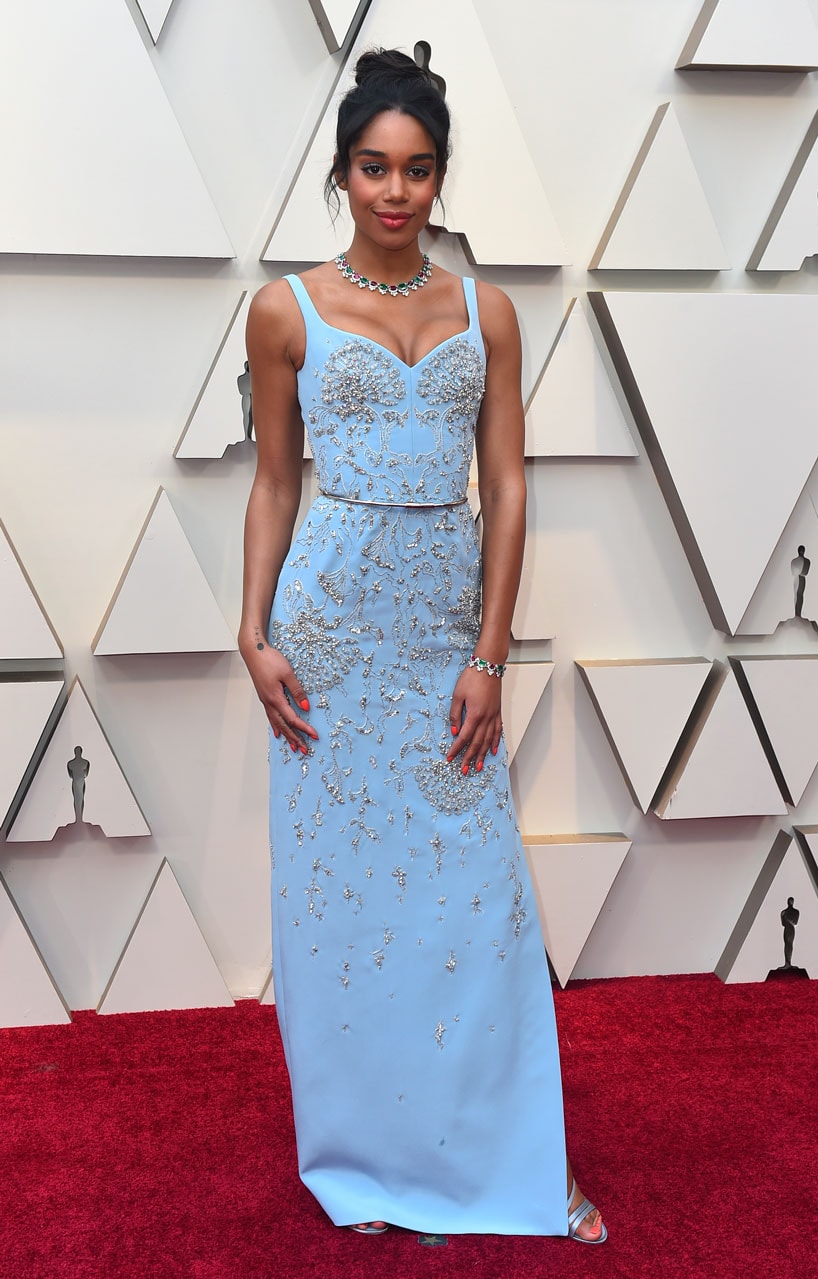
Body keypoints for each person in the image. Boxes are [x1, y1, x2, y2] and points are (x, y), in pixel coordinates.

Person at [238, 48, 606, 1244]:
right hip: (331, 634)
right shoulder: (282, 309)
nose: (394, 192)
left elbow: (502, 490)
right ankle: (375, 1159)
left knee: (477, 905)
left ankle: (510, 1161)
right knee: (343, 916)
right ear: (340, 172)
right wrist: (252, 632)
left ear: (441, 178)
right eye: (371, 168)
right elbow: (275, 483)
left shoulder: (484, 311)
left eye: (417, 170)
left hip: (445, 633)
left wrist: (489, 655)